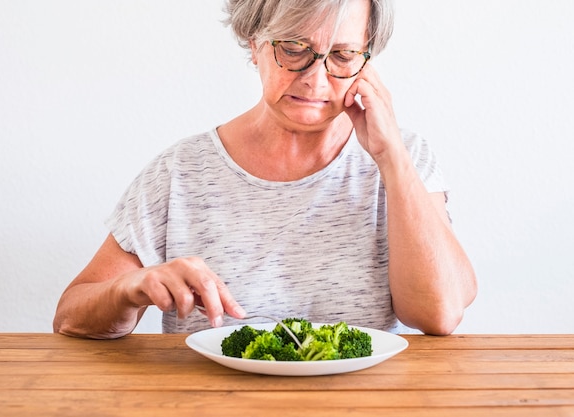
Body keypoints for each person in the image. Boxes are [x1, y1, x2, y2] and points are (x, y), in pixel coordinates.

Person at [53, 0, 477, 339]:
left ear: (367, 62)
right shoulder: (181, 172)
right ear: (254, 44)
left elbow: (439, 314)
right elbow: (71, 315)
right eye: (294, 49)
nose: (316, 79)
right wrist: (132, 287)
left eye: (343, 55)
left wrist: (391, 157)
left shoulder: (405, 156)